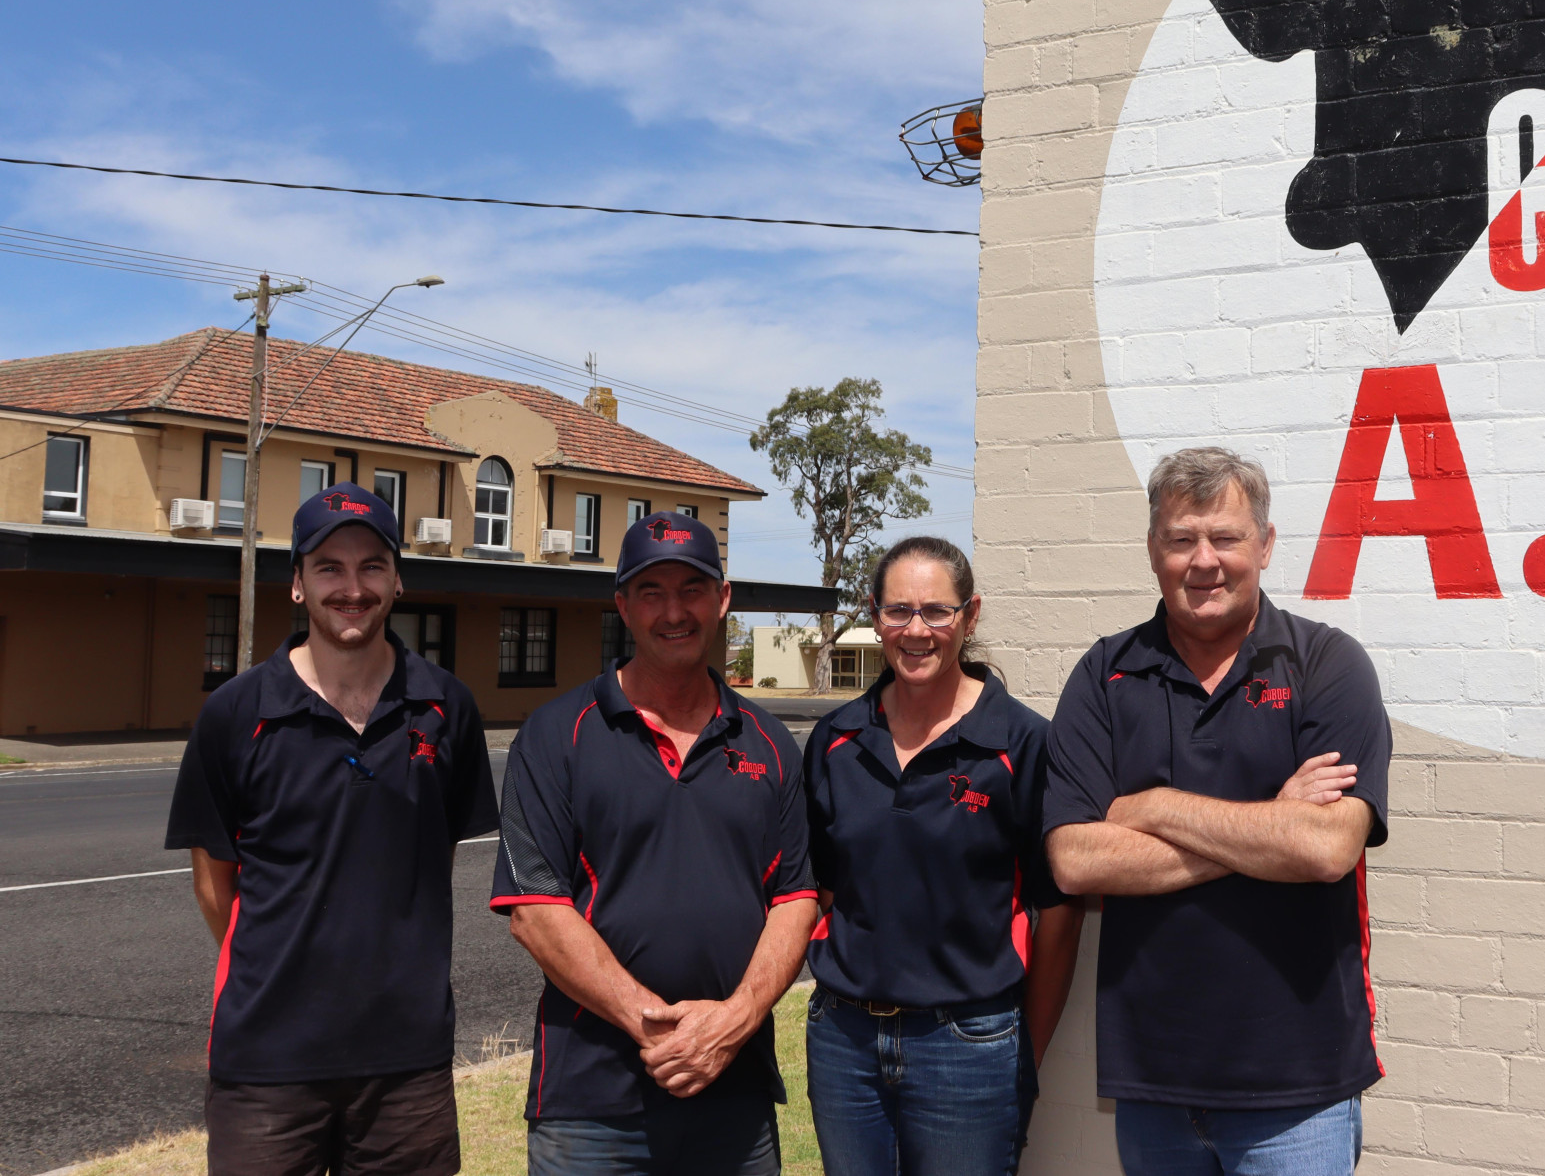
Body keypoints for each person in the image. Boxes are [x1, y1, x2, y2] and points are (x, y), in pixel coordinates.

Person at [1043, 447, 1392, 1176]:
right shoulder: (1104, 676)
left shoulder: (1328, 665)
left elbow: (1328, 849)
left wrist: (1151, 806)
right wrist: (1271, 826)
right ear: (1152, 550)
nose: (1204, 560)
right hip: (1153, 1087)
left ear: (1263, 545)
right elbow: (1076, 859)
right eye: (1180, 539)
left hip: (1300, 1091)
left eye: (1226, 537)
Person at [164, 482, 499, 1176]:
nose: (353, 587)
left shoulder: (446, 707)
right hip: (266, 1063)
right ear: (296, 584)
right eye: (329, 567)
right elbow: (212, 884)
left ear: (398, 578)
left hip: (408, 1064)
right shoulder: (234, 714)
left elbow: (434, 855)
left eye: (372, 565)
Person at [493, 511, 817, 1176]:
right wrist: (658, 1028)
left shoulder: (768, 743)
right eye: (652, 590)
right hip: (591, 1102)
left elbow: (797, 897)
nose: (675, 610)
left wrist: (734, 1020)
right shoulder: (557, 735)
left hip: (735, 1091)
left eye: (692, 588)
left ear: (722, 598)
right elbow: (535, 909)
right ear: (622, 605)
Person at [803, 537, 1085, 1176]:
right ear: (875, 616)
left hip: (970, 1042)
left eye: (937, 611)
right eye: (898, 610)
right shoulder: (835, 739)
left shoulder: (1021, 743)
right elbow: (821, 888)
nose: (916, 630)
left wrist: (1023, 1053)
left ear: (971, 615)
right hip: (843, 1041)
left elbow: (1060, 916)